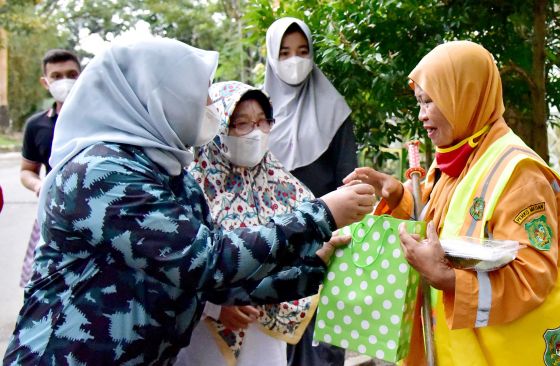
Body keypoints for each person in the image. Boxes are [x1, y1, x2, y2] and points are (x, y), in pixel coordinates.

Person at [3, 37, 375, 365]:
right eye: (201, 95)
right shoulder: (101, 173)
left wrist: (312, 264)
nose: (210, 105)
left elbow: (216, 284)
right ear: (156, 96)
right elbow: (206, 261)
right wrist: (321, 214)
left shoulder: (166, 171)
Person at [344, 41, 560, 365]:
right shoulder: (455, 159)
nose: (422, 116)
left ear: (461, 97)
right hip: (454, 350)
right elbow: (441, 223)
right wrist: (398, 196)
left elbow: (534, 276)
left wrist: (448, 279)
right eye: (419, 103)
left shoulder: (519, 175)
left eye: (429, 102)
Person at [176, 81, 335, 365]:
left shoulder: (281, 184)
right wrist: (214, 306)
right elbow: (178, 266)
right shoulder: (190, 189)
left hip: (267, 334)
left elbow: (312, 240)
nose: (256, 133)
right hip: (205, 336)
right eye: (242, 124)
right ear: (219, 127)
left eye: (263, 122)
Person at [263, 17, 357, 366]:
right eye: (284, 52)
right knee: (273, 347)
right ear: (271, 57)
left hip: (327, 245)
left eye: (302, 51)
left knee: (322, 350)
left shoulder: (334, 110)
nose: (294, 60)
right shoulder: (257, 115)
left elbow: (349, 180)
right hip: (272, 247)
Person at [19, 49, 81, 287]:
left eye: (71, 74)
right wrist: (38, 185)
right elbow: (27, 170)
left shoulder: (100, 119)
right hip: (53, 212)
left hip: (95, 210)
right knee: (48, 281)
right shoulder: (37, 125)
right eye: (56, 76)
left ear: (82, 75)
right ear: (45, 82)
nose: (64, 80)